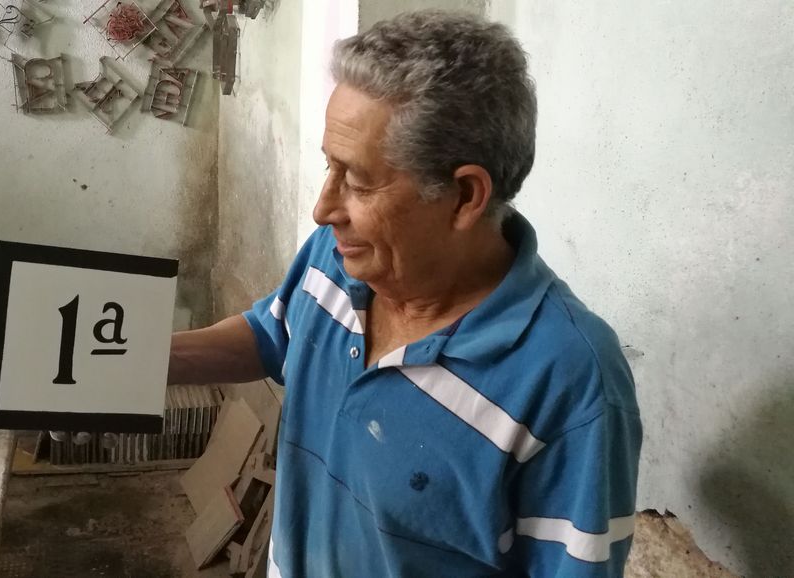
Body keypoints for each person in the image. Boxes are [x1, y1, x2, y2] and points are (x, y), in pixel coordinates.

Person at [170, 10, 641, 578]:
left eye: (358, 181)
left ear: (464, 196)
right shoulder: (338, 257)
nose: (323, 208)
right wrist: (131, 358)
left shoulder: (569, 379)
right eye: (328, 166)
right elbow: (274, 334)